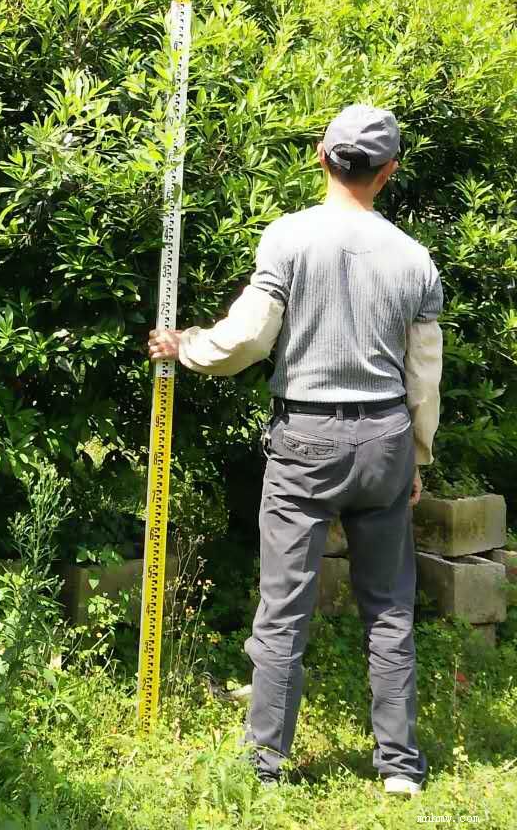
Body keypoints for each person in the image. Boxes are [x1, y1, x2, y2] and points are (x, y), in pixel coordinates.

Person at [148, 105, 442, 798]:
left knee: (284, 607)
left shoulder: (288, 237)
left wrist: (186, 346)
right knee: (390, 606)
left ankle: (265, 763)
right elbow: (424, 376)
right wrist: (417, 457)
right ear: (389, 172)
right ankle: (400, 766)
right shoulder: (415, 260)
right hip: (385, 439)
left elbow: (249, 339)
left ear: (320, 154)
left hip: (305, 439)